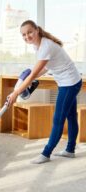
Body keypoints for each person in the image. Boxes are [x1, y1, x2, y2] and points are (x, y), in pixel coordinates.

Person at [7, 20, 82, 164]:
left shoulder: (45, 46)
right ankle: (70, 150)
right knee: (71, 116)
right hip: (70, 81)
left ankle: (46, 154)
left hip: (69, 83)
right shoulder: (38, 45)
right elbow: (46, 67)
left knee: (58, 119)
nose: (27, 36)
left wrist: (16, 92)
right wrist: (32, 79)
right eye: (23, 35)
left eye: (29, 32)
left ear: (37, 30)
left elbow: (33, 75)